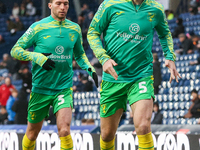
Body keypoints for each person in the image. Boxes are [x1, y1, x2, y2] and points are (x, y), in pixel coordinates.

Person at [87, 0, 180, 150]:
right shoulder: (110, 4)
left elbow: (165, 34)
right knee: (106, 134)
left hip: (141, 75)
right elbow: (93, 32)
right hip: (113, 77)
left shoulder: (155, 9)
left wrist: (169, 56)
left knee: (143, 126)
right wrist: (104, 58)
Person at [10, 0, 98, 150]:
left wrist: (89, 68)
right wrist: (36, 56)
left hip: (63, 88)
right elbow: (15, 50)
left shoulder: (74, 28)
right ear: (50, 5)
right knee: (32, 134)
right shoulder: (38, 27)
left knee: (64, 130)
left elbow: (80, 55)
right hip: (40, 89)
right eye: (58, 3)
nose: (63, 7)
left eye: (66, 4)